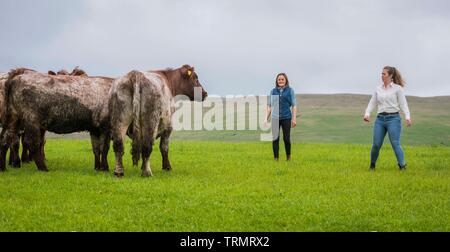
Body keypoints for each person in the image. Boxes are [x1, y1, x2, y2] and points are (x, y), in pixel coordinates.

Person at [364, 66, 412, 171]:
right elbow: (373, 102)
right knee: (376, 144)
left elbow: (403, 104)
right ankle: (372, 165)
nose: (381, 76)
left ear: (390, 76)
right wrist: (367, 114)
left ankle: (402, 166)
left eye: (384, 74)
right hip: (380, 119)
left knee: (395, 143)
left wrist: (407, 116)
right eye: (381, 73)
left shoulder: (397, 89)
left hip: (393, 119)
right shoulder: (378, 89)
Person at [265, 73, 298, 161]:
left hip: (286, 117)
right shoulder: (273, 91)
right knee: (275, 138)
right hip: (275, 118)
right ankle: (276, 158)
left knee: (286, 139)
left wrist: (294, 118)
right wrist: (266, 119)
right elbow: (270, 106)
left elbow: (294, 105)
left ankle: (288, 157)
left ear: (286, 80)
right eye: (279, 79)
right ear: (277, 81)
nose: (281, 81)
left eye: (282, 79)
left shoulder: (290, 91)